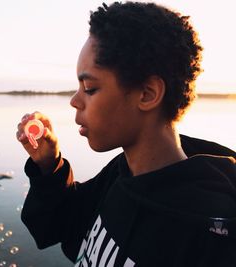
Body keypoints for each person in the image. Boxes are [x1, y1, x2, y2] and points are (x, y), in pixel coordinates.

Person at [16, 2, 236, 267]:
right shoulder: (121, 175)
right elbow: (57, 227)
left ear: (147, 94)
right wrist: (49, 165)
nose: (75, 100)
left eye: (89, 87)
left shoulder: (211, 234)